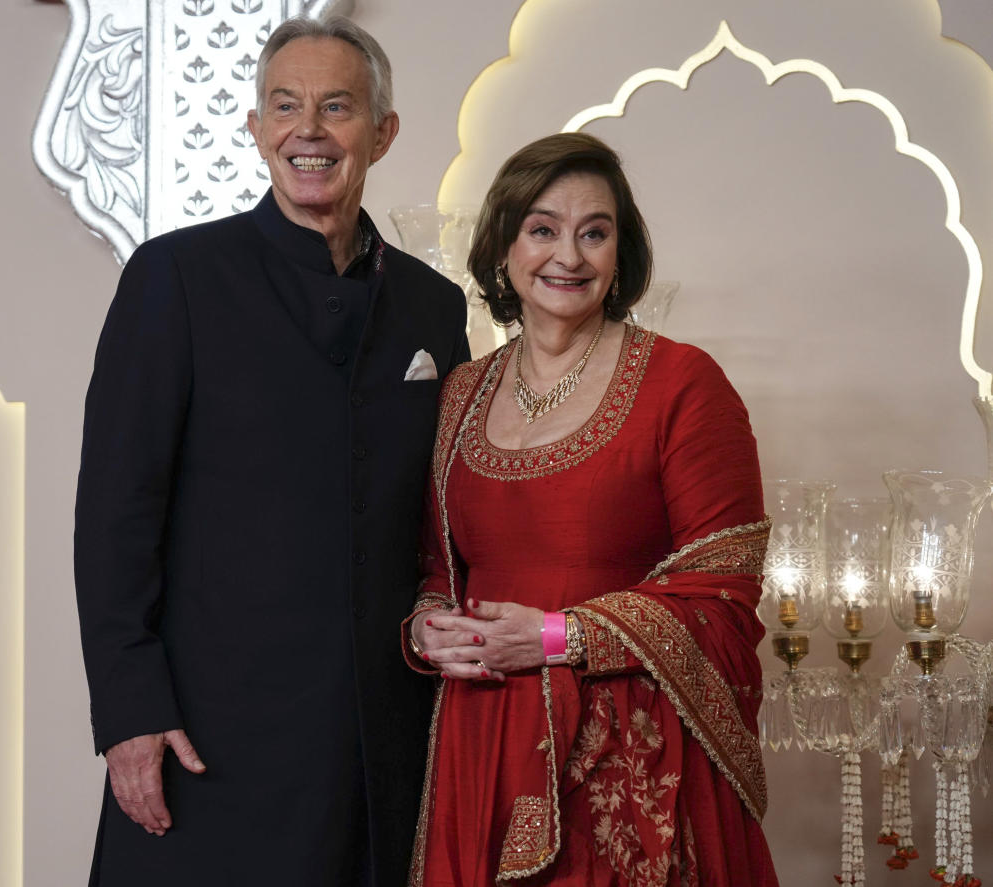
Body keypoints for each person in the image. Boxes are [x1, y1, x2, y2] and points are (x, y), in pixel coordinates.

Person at [73, 15, 470, 887]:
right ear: (256, 129)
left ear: (383, 131)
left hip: (379, 741)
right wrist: (129, 712)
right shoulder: (173, 278)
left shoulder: (433, 309)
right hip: (207, 737)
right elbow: (114, 514)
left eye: (337, 106)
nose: (310, 131)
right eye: (285, 106)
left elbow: (447, 513)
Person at [403, 132, 779, 886]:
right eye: (543, 229)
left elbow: (725, 594)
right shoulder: (461, 394)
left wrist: (555, 635)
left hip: (627, 756)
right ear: (504, 246)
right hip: (482, 738)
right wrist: (427, 626)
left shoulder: (683, 384)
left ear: (620, 252)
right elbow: (436, 568)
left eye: (594, 233)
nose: (567, 256)